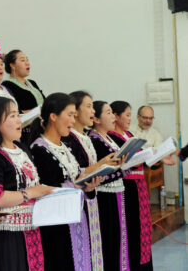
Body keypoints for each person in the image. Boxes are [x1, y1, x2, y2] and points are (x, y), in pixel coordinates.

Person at [0, 95, 54, 271]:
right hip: (7, 232)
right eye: (11, 116)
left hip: (31, 227)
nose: (18, 120)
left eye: (18, 115)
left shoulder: (22, 149)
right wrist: (32, 193)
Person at [29, 92, 102, 271]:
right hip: (57, 227)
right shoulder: (39, 149)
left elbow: (75, 177)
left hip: (76, 218)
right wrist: (77, 185)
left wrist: (88, 187)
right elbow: (47, 188)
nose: (72, 120)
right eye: (69, 115)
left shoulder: (66, 147)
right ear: (53, 116)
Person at [62, 91, 122, 271]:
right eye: (88, 106)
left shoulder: (86, 138)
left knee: (97, 249)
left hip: (91, 199)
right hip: (79, 202)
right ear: (76, 112)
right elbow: (76, 172)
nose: (93, 111)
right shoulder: (69, 138)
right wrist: (102, 164)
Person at [108, 101, 153, 270]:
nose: (129, 118)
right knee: (133, 229)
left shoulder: (128, 134)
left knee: (143, 228)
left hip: (140, 186)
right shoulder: (112, 137)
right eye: (127, 115)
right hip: (128, 187)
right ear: (116, 116)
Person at [89, 101, 131, 271]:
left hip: (118, 192)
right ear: (97, 119)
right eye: (108, 113)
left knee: (120, 239)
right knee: (110, 240)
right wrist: (122, 170)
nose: (113, 116)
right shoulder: (94, 140)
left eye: (113, 112)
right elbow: (101, 172)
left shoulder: (110, 138)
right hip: (105, 196)